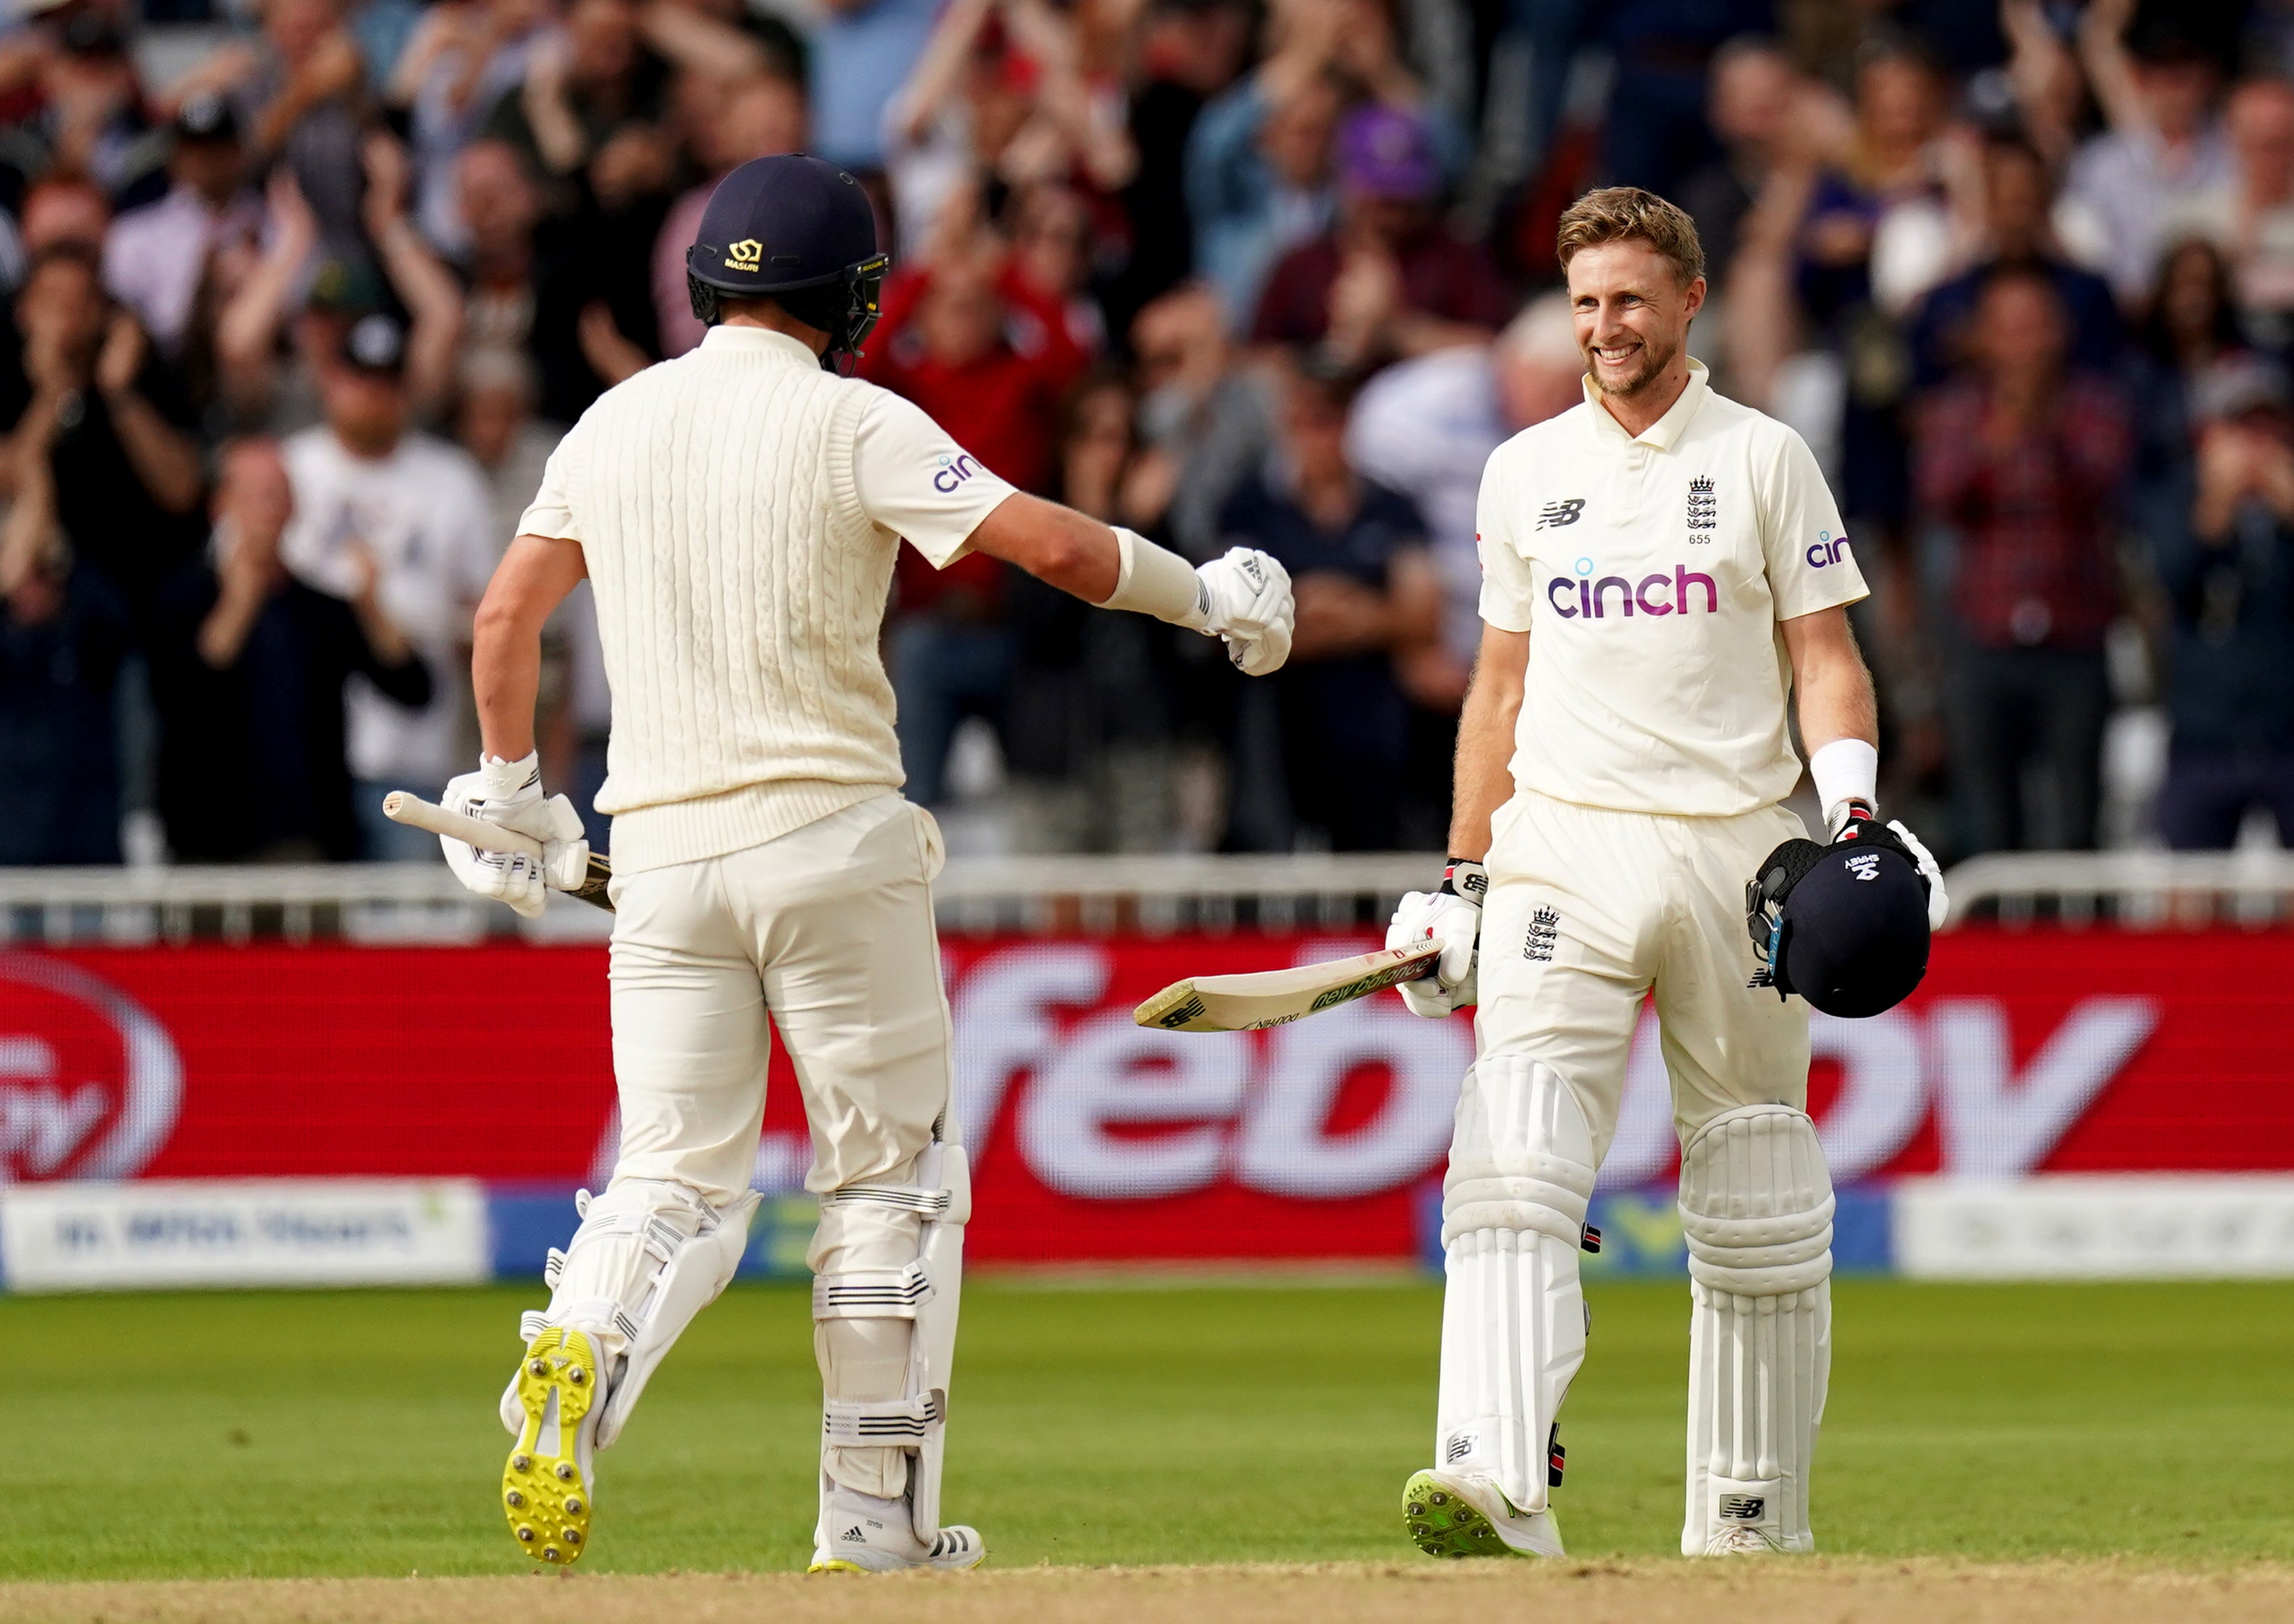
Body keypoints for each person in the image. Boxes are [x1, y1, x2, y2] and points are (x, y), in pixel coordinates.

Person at [454, 153, 1294, 1572]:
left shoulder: (609, 422)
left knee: (672, 1179)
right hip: (829, 844)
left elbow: (502, 621)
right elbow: (1051, 548)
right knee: (889, 1182)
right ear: (848, 295)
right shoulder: (855, 421)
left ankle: (577, 1353)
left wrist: (512, 788)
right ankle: (869, 1522)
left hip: (661, 861)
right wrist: (1203, 594)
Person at [1386, 188, 1937, 1560]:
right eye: (1582, 303)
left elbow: (1822, 655)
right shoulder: (1521, 470)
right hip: (1560, 842)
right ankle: (1494, 1472)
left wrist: (1852, 810)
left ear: (1686, 301)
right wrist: (1461, 870)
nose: (1602, 327)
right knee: (1513, 1152)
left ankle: (1746, 1524)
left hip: (1734, 850)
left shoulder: (1761, 458)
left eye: (1626, 299)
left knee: (1751, 1190)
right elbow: (1498, 683)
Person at [1914, 267, 2130, 854]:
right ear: (1983, 337)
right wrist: (2002, 436)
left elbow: (2105, 485)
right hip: (1984, 638)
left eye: (2035, 326)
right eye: (2009, 329)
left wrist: (2047, 429)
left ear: (2060, 331)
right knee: (1986, 823)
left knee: (2078, 822)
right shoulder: (1956, 411)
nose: (2024, 343)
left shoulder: (2092, 406)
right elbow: (1941, 494)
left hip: (2075, 636)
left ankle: (2083, 947)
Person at [276, 312, 497, 857]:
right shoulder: (291, 468)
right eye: (359, 379)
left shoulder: (452, 479)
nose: (372, 396)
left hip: (415, 754)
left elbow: (489, 617)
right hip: (300, 756)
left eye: (387, 382)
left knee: (402, 933)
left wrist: (411, 620)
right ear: (332, 381)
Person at [152, 436, 433, 861]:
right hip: (205, 848)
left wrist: (372, 607)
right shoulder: (182, 597)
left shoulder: (318, 608)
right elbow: (179, 696)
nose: (269, 506)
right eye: (256, 493)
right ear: (221, 503)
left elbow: (412, 688)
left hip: (309, 848)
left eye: (279, 493)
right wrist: (239, 602)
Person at [1218, 357, 1441, 850]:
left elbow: (1424, 617)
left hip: (1373, 733)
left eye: (1332, 416)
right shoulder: (1251, 505)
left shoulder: (1392, 507)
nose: (1320, 433)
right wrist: (1364, 612)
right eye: (1307, 417)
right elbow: (1229, 621)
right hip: (1278, 732)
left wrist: (1317, 610)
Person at [2149, 359, 2294, 848]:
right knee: (2191, 898)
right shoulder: (2177, 497)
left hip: (2287, 733)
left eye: (2267, 423)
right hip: (2203, 735)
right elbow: (2169, 582)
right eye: (2240, 425)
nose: (2256, 442)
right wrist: (2215, 509)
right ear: (2209, 433)